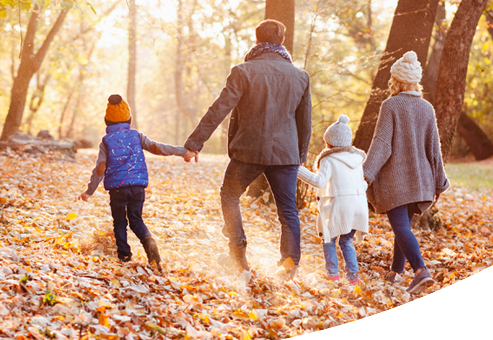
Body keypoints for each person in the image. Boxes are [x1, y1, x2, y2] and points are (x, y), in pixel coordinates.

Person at [181, 19, 312, 279]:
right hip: (285, 155)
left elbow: (218, 109)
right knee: (288, 210)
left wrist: (194, 144)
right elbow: (304, 122)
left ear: (257, 40)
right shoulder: (300, 76)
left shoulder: (243, 71)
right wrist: (300, 156)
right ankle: (289, 266)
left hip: (249, 151)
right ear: (282, 41)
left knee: (230, 196)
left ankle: (238, 254)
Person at [362, 51, 449, 295]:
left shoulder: (390, 105)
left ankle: (421, 271)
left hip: (396, 180)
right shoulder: (426, 108)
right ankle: (396, 272)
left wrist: (366, 173)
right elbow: (435, 149)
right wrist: (439, 182)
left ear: (397, 80)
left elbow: (381, 143)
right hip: (421, 180)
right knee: (404, 226)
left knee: (400, 226)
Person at [77, 94, 188, 272]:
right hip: (137, 186)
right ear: (129, 119)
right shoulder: (136, 135)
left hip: (117, 190)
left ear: (107, 120)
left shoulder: (106, 141)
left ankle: (124, 255)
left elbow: (100, 168)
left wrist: (89, 191)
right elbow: (157, 148)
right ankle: (149, 241)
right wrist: (182, 151)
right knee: (136, 219)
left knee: (120, 222)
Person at [297, 115, 370, 284]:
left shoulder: (329, 159)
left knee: (329, 238)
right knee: (346, 241)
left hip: (341, 205)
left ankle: (333, 275)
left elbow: (319, 181)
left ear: (329, 141)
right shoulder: (357, 159)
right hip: (359, 206)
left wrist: (297, 170)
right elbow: (363, 184)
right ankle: (353, 277)